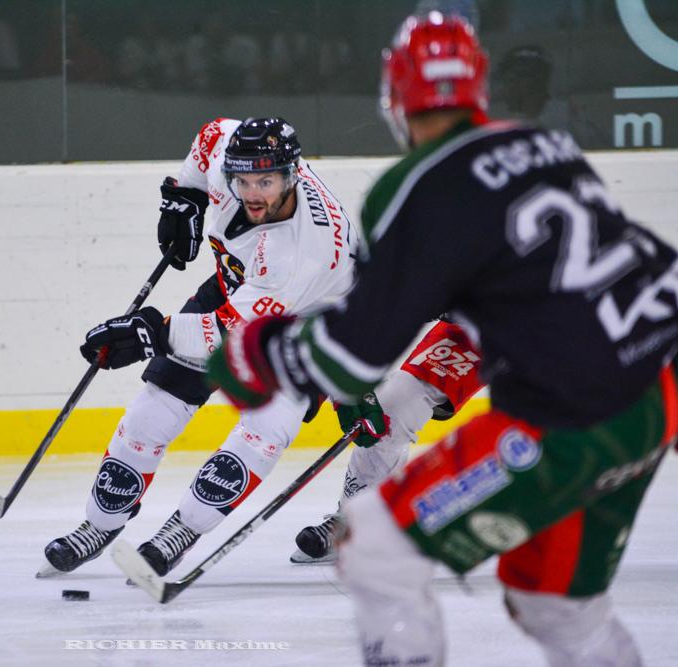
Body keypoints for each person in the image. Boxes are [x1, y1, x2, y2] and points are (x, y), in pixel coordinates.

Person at [206, 13, 676, 666]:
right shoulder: (548, 144)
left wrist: (263, 352)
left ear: (395, 98)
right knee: (554, 602)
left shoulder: (414, 186)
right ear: (479, 85)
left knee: (373, 548)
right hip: (658, 382)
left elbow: (355, 352)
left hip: (575, 414)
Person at [41, 117, 476, 578]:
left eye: (265, 182)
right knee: (153, 410)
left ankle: (184, 529)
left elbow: (224, 336)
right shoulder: (233, 156)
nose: (252, 193)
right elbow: (212, 135)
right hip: (236, 292)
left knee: (261, 436)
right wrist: (186, 195)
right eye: (243, 180)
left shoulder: (303, 254)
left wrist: (150, 332)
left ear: (291, 175)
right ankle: (99, 524)